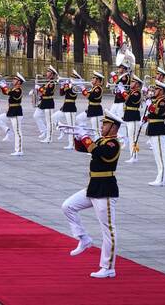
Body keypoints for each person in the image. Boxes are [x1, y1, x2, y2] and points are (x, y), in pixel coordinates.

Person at [62, 110, 123, 278]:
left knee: (108, 230)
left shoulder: (113, 144)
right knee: (68, 206)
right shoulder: (102, 140)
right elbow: (83, 148)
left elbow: (99, 154)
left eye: (105, 124)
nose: (102, 126)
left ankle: (108, 267)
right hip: (93, 186)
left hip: (106, 189)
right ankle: (83, 238)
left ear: (113, 127)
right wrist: (76, 135)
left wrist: (85, 137)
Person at [146, 80, 165, 186]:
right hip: (153, 128)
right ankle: (159, 177)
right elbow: (151, 114)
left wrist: (150, 105)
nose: (154, 90)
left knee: (160, 155)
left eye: (156, 89)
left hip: (158, 129)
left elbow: (158, 113)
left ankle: (162, 179)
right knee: (157, 155)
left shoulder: (162, 101)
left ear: (161, 91)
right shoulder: (156, 100)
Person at [0, 73, 25, 156]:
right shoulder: (14, 88)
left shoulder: (18, 90)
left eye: (15, 79)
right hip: (11, 110)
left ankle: (19, 150)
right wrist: (2, 87)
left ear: (19, 82)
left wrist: (4, 86)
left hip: (16, 112)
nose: (13, 80)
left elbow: (10, 93)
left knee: (18, 132)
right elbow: (6, 93)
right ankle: (8, 131)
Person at [52, 70, 81, 150]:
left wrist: (69, 86)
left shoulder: (76, 87)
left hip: (71, 107)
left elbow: (73, 95)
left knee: (71, 126)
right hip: (65, 107)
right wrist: (62, 86)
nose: (70, 78)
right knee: (54, 117)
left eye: (72, 77)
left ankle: (71, 144)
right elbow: (61, 94)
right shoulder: (69, 85)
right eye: (71, 77)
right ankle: (61, 129)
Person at [33, 66, 58, 143]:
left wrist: (39, 88)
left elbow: (46, 92)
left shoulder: (52, 83)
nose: (46, 73)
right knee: (36, 116)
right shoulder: (47, 82)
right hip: (43, 102)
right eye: (47, 72)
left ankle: (49, 138)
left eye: (48, 72)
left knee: (49, 121)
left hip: (49, 102)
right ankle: (44, 130)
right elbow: (42, 90)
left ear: (52, 74)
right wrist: (34, 91)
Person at [76, 72, 104, 138]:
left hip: (96, 110)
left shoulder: (98, 89)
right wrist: (82, 88)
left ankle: (98, 145)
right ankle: (85, 133)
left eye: (93, 78)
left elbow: (90, 96)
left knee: (96, 130)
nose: (92, 79)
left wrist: (83, 89)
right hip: (91, 108)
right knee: (79, 118)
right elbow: (87, 94)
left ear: (97, 80)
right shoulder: (93, 88)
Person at [122, 75, 143, 163]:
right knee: (131, 137)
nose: (131, 83)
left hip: (133, 117)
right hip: (129, 116)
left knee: (133, 138)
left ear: (137, 84)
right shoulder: (132, 91)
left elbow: (128, 98)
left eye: (133, 82)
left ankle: (134, 157)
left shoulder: (137, 93)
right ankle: (133, 156)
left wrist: (122, 91)